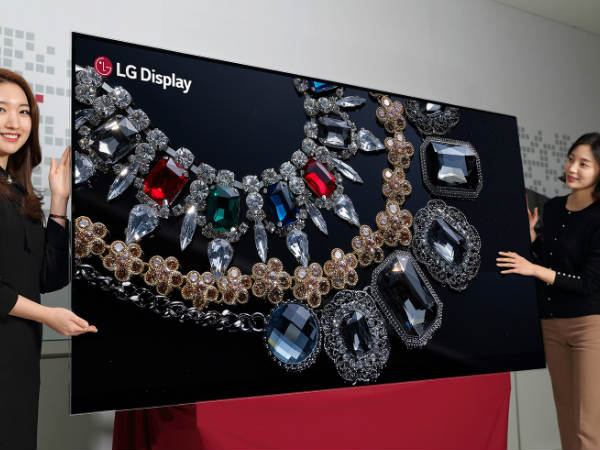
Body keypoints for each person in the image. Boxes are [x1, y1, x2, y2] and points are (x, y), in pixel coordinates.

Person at [0, 68, 97, 450]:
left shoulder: (18, 191)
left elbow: (49, 277)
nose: (14, 122)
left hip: (21, 357)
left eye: (23, 111)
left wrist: (59, 199)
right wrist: (47, 315)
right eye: (1, 109)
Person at [496, 132, 600, 450]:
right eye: (571, 159)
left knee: (588, 426)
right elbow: (552, 263)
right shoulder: (553, 208)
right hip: (552, 325)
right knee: (566, 417)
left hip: (588, 328)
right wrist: (533, 241)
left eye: (584, 163)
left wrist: (533, 268)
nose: (573, 168)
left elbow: (588, 283)